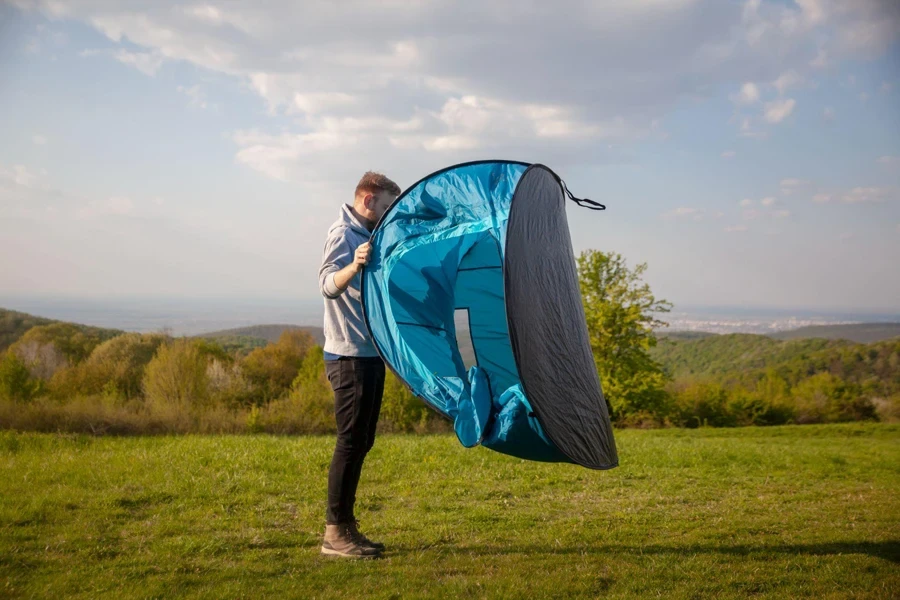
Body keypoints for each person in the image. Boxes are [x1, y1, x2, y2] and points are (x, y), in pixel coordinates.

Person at [317, 171, 401, 558]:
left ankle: (346, 527)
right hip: (348, 356)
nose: (386, 215)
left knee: (362, 441)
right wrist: (353, 265)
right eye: (385, 207)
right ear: (368, 200)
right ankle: (334, 534)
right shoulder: (344, 234)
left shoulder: (368, 235)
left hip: (368, 353)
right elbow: (327, 285)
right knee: (350, 443)